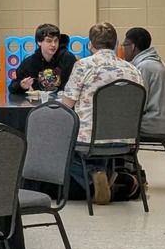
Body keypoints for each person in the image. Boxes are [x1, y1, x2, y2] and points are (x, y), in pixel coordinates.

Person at [61, 22, 143, 205]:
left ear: (90, 44)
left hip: (90, 139)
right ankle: (108, 176)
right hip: (126, 139)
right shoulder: (133, 70)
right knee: (101, 141)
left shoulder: (83, 66)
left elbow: (66, 106)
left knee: (60, 145)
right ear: (115, 44)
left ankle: (93, 177)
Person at [121, 27, 165, 136]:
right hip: (162, 123)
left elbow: (138, 105)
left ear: (132, 47)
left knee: (110, 122)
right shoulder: (156, 63)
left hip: (152, 125)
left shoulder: (144, 67)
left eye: (124, 45)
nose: (122, 49)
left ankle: (121, 152)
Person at [8, 24, 77, 95]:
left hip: (63, 102)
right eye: (49, 41)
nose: (53, 44)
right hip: (40, 102)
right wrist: (21, 85)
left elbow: (77, 84)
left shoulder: (68, 58)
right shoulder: (30, 62)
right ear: (39, 42)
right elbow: (12, 88)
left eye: (56, 41)